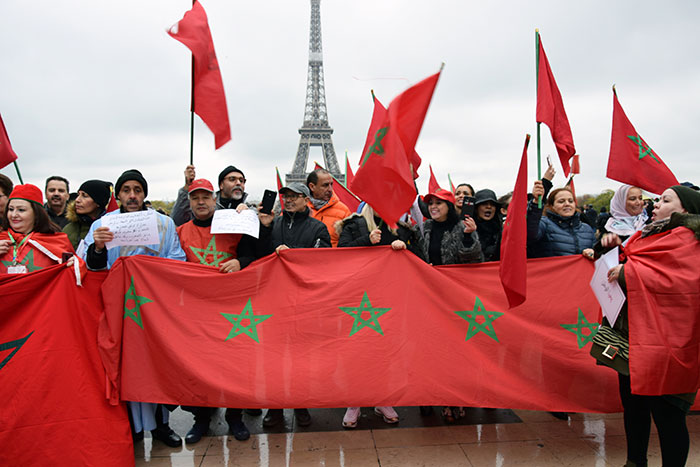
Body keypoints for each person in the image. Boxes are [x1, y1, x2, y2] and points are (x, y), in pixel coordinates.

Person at [82, 169, 186, 447]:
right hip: (117, 309)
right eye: (126, 190)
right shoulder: (101, 225)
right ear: (118, 195)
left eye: (137, 190)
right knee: (124, 366)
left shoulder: (163, 224)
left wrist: (151, 264)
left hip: (152, 309)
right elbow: (88, 268)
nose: (131, 195)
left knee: (156, 365)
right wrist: (99, 248)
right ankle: (132, 428)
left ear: (144, 194)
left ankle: (162, 425)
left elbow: (177, 260)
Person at [603, 185, 700, 467]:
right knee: (633, 407)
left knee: (668, 415)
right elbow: (642, 262)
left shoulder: (689, 240)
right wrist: (615, 251)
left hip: (667, 342)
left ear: (685, 211)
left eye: (666, 200)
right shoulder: (652, 233)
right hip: (634, 335)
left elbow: (684, 284)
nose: (655, 204)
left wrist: (629, 273)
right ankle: (636, 461)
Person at [175, 179, 257, 444]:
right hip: (196, 310)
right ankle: (202, 419)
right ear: (190, 202)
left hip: (230, 307)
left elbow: (255, 254)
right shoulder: (180, 231)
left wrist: (240, 261)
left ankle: (235, 417)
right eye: (195, 198)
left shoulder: (232, 224)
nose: (201, 202)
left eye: (205, 197)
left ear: (214, 199)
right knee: (200, 366)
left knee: (233, 365)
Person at [336, 202, 421, 428]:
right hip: (356, 300)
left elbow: (420, 259)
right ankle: (354, 402)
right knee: (355, 352)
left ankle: (382, 399)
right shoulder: (354, 224)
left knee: (385, 351)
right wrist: (366, 240)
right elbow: (338, 254)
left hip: (390, 300)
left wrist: (406, 247)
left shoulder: (403, 228)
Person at [257, 182, 330, 428]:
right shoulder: (272, 224)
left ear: (306, 199)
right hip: (273, 300)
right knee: (274, 359)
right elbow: (257, 256)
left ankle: (301, 405)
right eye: (285, 196)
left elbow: (323, 262)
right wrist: (264, 229)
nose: (288, 200)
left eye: (294, 196)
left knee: (302, 358)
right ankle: (275, 408)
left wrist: (293, 254)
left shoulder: (318, 227)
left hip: (303, 302)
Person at [414, 188, 482, 422]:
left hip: (456, 298)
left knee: (457, 350)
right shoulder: (426, 228)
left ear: (449, 206)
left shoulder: (462, 226)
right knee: (434, 350)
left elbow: (474, 259)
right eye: (430, 203)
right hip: (430, 297)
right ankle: (437, 396)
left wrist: (467, 236)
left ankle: (458, 398)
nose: (433, 207)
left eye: (439, 203)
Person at [0, 184, 74, 273]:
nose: (14, 215)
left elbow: (75, 273)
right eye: (11, 209)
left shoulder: (57, 241)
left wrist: (70, 265)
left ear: (36, 213)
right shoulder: (1, 238)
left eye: (21, 210)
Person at [527, 184, 595, 259]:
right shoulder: (544, 224)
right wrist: (535, 203)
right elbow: (530, 234)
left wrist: (592, 253)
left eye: (570, 201)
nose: (567, 204)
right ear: (552, 206)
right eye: (561, 201)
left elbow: (597, 255)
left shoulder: (587, 229)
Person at [171, 165, 250, 226]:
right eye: (232, 179)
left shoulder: (250, 209)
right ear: (221, 185)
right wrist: (187, 187)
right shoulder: (207, 209)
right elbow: (178, 219)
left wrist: (249, 215)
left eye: (242, 180)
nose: (238, 183)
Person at [306, 168, 351, 247]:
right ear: (312, 186)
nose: (330, 189)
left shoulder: (344, 211)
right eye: (325, 185)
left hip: (333, 258)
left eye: (331, 184)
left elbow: (349, 243)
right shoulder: (298, 209)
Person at [62, 180, 111, 250]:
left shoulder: (108, 228)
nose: (77, 200)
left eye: (84, 196)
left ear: (98, 202)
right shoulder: (69, 229)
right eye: (78, 194)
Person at [473, 189, 502, 262]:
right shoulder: (466, 229)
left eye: (492, 204)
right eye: (484, 204)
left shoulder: (501, 230)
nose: (489, 207)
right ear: (476, 208)